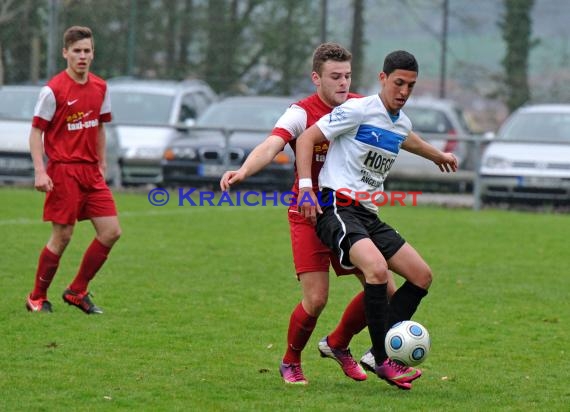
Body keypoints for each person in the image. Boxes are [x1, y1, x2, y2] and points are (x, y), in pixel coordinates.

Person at [220, 43, 395, 385]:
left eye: (347, 75)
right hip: (309, 215)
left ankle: (338, 343)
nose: (343, 83)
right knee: (316, 300)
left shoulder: (360, 107)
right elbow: (272, 144)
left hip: (349, 213)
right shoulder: (301, 113)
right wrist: (243, 171)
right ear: (316, 78)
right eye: (334, 77)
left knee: (385, 286)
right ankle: (290, 360)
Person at [295, 50, 458, 390]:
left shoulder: (399, 122)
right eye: (398, 83)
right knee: (378, 272)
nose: (403, 91)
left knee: (421, 276)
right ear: (383, 79)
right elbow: (308, 138)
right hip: (336, 205)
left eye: (410, 86)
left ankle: (373, 353)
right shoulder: (357, 109)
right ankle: (384, 360)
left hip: (368, 214)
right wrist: (307, 189)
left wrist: (438, 155)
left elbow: (405, 138)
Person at [25, 26, 121, 315]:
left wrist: (102, 164)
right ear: (65, 53)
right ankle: (36, 297)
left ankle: (77, 291)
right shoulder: (53, 90)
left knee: (111, 232)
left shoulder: (100, 87)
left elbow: (100, 127)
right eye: (76, 51)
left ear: (93, 54)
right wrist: (40, 172)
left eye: (87, 51)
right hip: (64, 171)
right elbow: (35, 133)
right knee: (63, 236)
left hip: (91, 172)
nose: (82, 56)